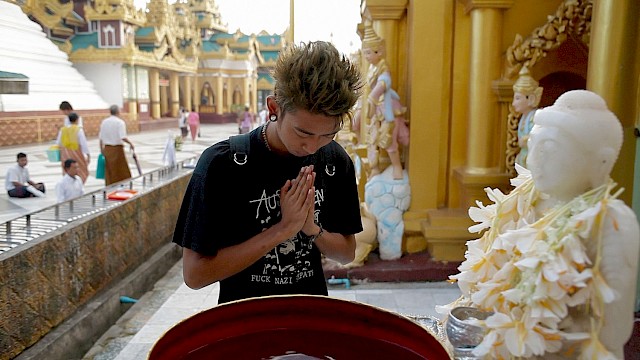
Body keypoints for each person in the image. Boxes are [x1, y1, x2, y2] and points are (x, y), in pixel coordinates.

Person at [442, 90, 639, 359]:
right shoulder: (531, 199)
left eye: (549, 150)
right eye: (533, 146)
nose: (533, 160)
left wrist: (551, 322)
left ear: (601, 161)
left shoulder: (611, 223)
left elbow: (613, 331)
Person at [173, 41, 363, 304]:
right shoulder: (223, 165)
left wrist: (310, 227)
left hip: (309, 313)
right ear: (274, 109)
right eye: (303, 133)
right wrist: (282, 230)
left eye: (327, 134)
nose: (311, 146)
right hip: (243, 319)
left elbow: (346, 253)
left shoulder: (334, 161)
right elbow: (194, 275)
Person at [353, 20, 409, 180]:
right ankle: (374, 168)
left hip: (387, 107)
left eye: (369, 52)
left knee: (388, 139)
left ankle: (396, 166)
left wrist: (373, 96)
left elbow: (385, 82)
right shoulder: (372, 68)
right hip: (375, 109)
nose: (367, 56)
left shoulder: (383, 66)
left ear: (379, 52)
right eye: (365, 53)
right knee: (372, 138)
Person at [511, 66, 543, 168]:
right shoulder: (523, 118)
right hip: (524, 157)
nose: (514, 103)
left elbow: (539, 138)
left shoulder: (535, 118)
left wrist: (527, 140)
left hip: (532, 159)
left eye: (518, 98)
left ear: (530, 99)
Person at [99, 105, 134, 185]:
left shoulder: (104, 122)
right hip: (117, 149)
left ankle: (110, 186)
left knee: (110, 171)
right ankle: (122, 186)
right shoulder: (120, 122)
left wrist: (101, 150)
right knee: (120, 170)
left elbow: (101, 138)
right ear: (118, 112)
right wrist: (131, 143)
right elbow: (123, 137)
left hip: (107, 148)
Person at [56, 112, 90, 183]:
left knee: (67, 169)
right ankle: (78, 185)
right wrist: (87, 155)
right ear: (77, 120)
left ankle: (68, 184)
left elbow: (58, 142)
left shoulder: (63, 130)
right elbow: (83, 143)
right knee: (81, 169)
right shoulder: (78, 130)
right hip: (76, 153)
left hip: (65, 154)